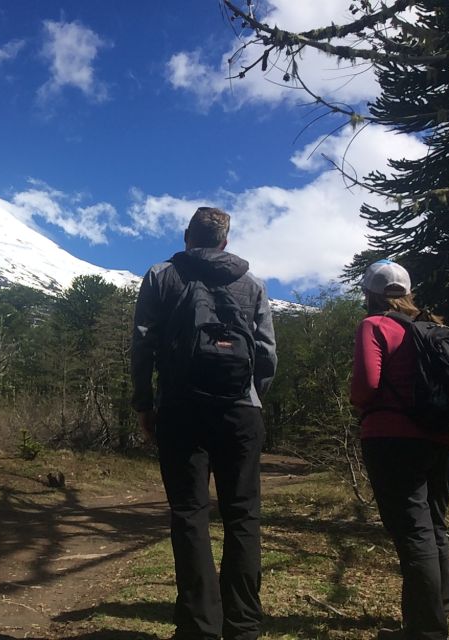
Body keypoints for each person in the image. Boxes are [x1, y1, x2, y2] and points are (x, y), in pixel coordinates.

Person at [131, 207, 277, 640]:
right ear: (224, 242)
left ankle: (198, 627)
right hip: (240, 411)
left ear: (187, 237)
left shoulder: (162, 275)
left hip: (181, 408)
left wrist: (145, 404)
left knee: (190, 515)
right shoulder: (252, 283)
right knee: (243, 514)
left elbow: (142, 345)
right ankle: (244, 625)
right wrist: (251, 398)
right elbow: (267, 353)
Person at [351, 259, 449, 640]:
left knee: (412, 532)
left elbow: (366, 385)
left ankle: (425, 630)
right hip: (441, 437)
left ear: (371, 294)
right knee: (434, 525)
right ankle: (438, 611)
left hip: (392, 438)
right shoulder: (435, 327)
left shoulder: (374, 325)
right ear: (407, 292)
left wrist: (355, 400)